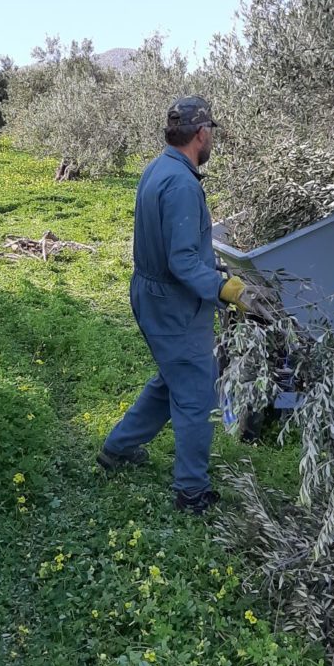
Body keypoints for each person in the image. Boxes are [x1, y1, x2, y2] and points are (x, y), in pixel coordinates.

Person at [97, 95, 247, 514]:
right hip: (175, 305)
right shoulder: (181, 183)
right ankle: (192, 493)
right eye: (211, 131)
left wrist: (207, 258)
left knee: (173, 380)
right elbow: (180, 260)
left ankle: (118, 449)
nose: (212, 138)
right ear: (201, 133)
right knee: (196, 394)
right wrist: (226, 289)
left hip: (152, 295)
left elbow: (173, 245)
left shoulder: (158, 169)